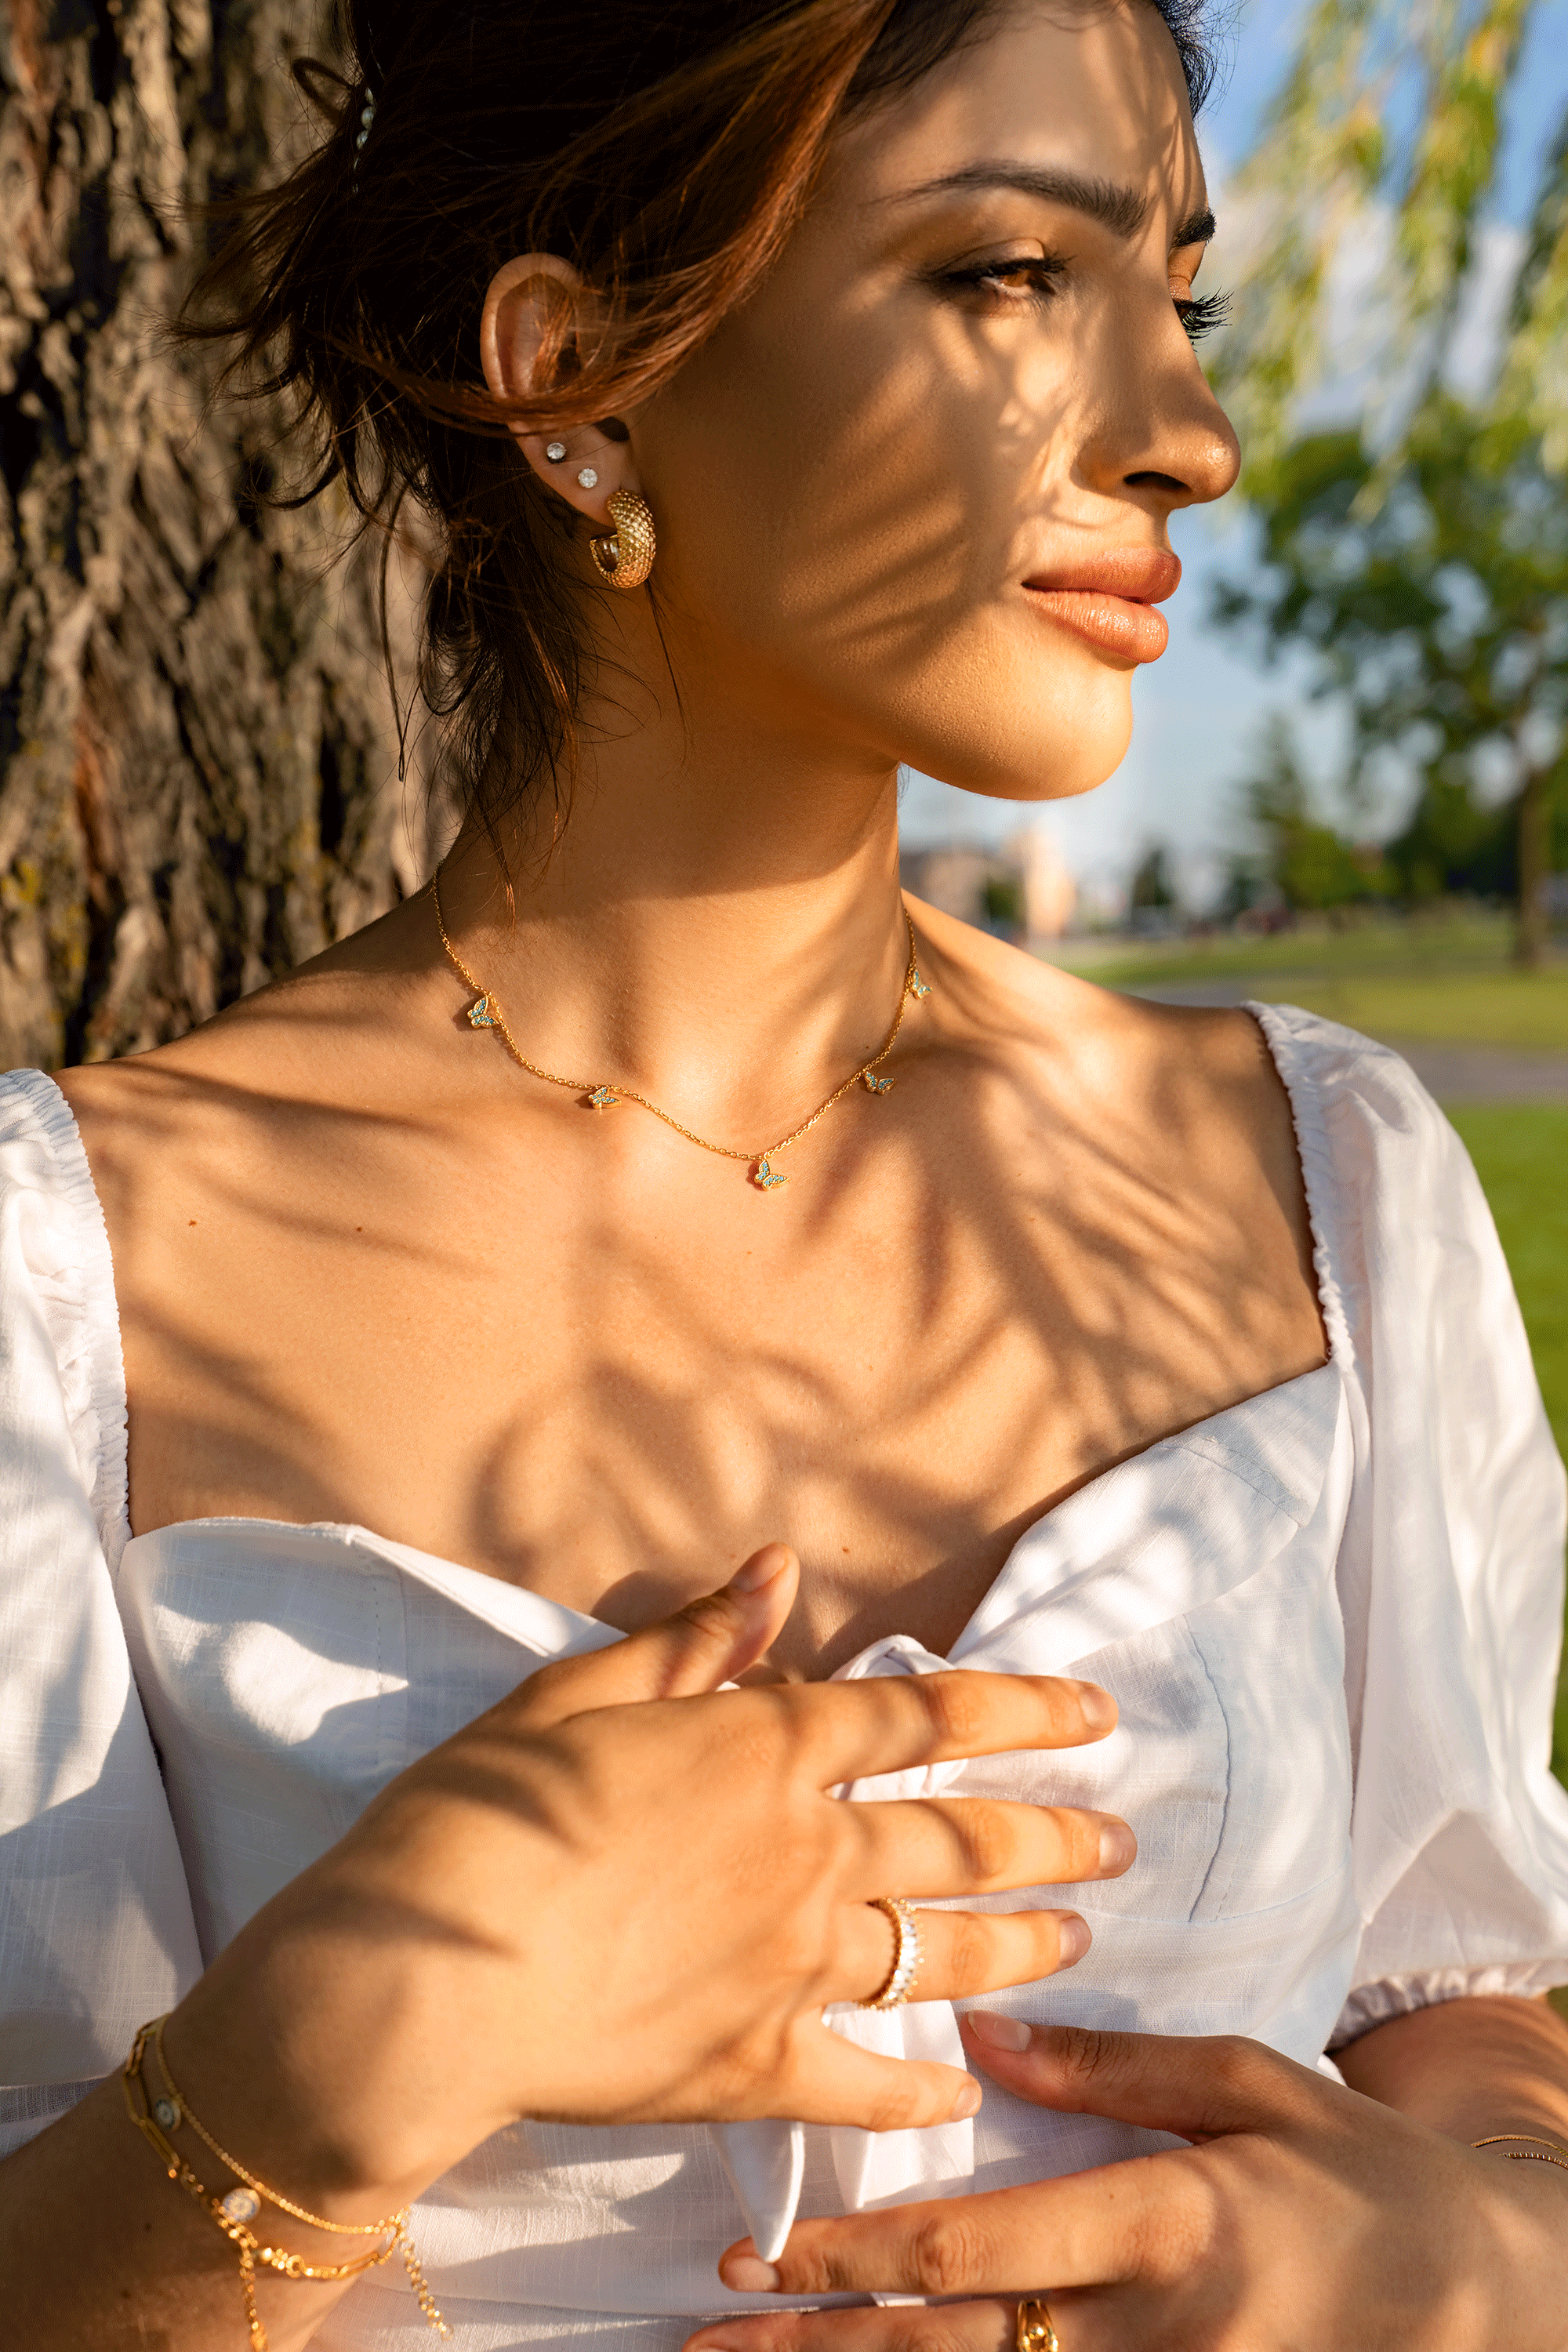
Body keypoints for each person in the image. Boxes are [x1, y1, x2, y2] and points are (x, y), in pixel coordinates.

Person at [2, 0, 1566, 2345]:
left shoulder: (1327, 1176)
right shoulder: (64, 1291)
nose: (1196, 438)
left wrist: (1453, 2250)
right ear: (581, 378)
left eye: (1182, 295)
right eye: (1008, 275)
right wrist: (321, 2075)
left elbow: (1483, 2014)